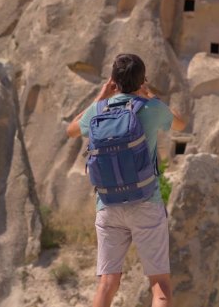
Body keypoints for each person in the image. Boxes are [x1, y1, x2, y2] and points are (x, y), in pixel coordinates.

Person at [66, 53, 185, 307]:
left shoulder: (99, 110)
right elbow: (181, 125)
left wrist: (101, 97)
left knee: (108, 282)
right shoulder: (151, 109)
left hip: (108, 204)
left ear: (114, 81)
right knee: (160, 284)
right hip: (146, 202)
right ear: (142, 80)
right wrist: (149, 95)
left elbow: (71, 130)